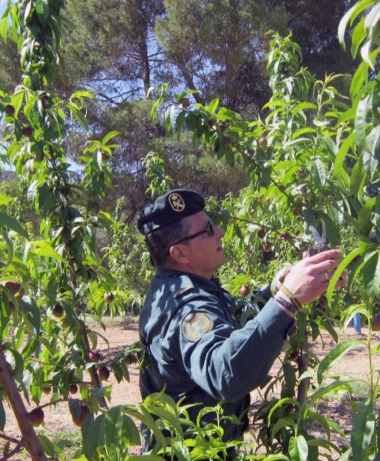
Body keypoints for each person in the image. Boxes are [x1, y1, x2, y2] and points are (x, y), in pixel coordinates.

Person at [136, 189, 344, 456]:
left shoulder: (194, 287)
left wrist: (277, 289)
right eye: (208, 229)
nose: (220, 231)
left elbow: (232, 321)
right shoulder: (185, 308)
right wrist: (288, 300)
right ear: (180, 254)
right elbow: (224, 372)